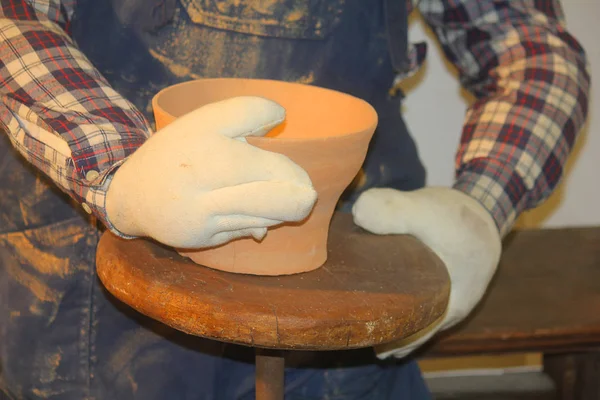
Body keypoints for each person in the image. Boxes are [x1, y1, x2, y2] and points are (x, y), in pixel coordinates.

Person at [0, 0, 589, 398]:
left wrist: (481, 204)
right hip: (96, 312)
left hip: (349, 302)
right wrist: (122, 167)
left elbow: (533, 51)